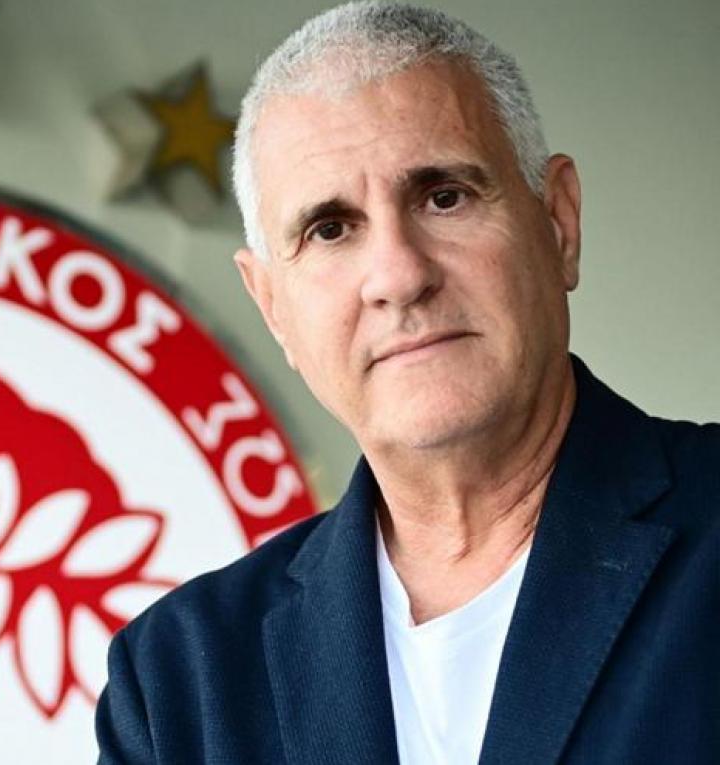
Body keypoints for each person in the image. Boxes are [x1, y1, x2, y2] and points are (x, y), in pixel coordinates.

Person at [94, 2, 720, 763]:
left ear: (559, 222)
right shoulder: (178, 680)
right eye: (330, 229)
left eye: (444, 196)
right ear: (272, 307)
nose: (398, 275)